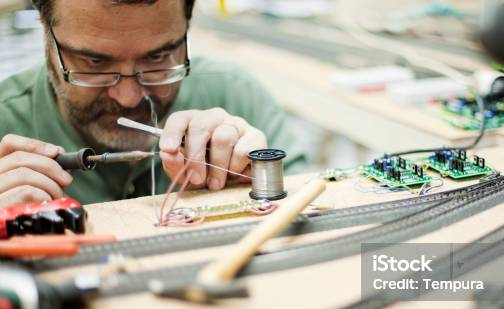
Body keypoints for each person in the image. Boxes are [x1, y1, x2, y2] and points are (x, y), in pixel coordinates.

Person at [0, 0, 306, 206]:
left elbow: (315, 212)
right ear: (44, 30)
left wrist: (253, 192)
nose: (129, 97)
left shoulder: (237, 96)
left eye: (158, 58)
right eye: (93, 62)